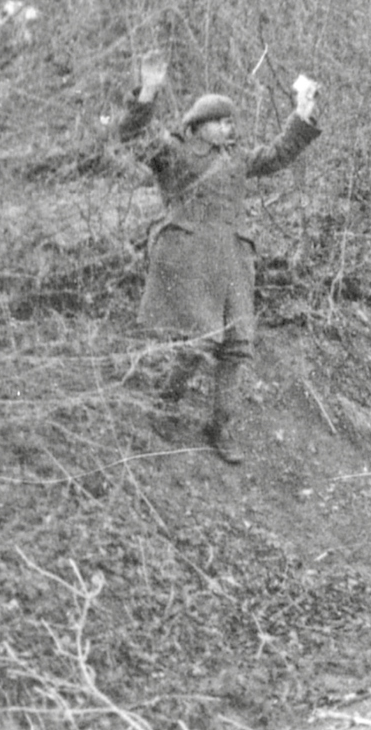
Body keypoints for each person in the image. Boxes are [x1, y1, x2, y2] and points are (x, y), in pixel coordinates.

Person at [118, 52, 322, 463]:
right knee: (199, 341)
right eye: (220, 121)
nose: (229, 127)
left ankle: (220, 427)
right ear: (197, 126)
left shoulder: (236, 160)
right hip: (190, 258)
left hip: (232, 262)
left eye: (231, 121)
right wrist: (149, 91)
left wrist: (302, 114)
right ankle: (164, 404)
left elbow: (279, 153)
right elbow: (134, 137)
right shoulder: (173, 154)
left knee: (237, 348)